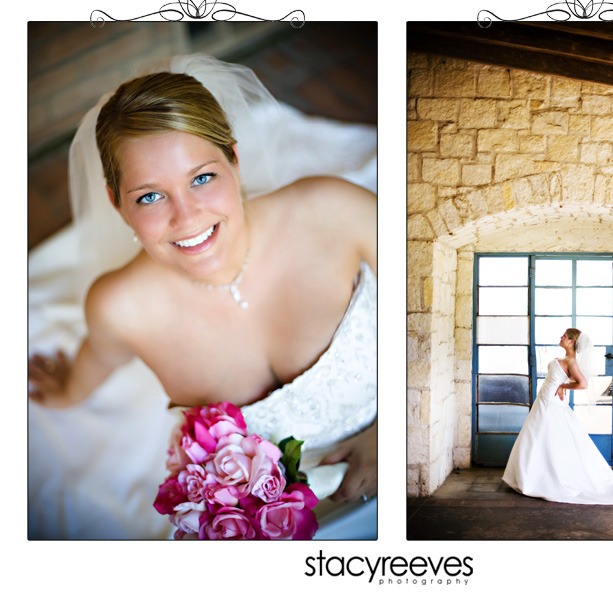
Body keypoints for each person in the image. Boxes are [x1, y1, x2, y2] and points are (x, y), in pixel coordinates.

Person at [27, 54, 377, 539]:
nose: (186, 217)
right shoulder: (120, 307)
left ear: (234, 159)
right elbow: (98, 360)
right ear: (116, 203)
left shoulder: (337, 211)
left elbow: (431, 306)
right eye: (150, 196)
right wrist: (66, 390)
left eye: (202, 177)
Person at [502, 328, 613, 505]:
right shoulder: (567, 359)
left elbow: (583, 384)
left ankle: (542, 478)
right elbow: (569, 378)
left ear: (572, 341)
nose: (561, 337)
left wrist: (563, 387)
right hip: (545, 402)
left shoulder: (571, 361)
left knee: (543, 436)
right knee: (538, 436)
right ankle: (533, 476)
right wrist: (563, 383)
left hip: (551, 403)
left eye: (564, 336)